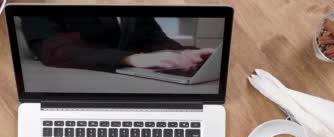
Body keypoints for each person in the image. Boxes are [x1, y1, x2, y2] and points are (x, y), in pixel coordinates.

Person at [22, 16, 215, 73]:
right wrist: (131, 59)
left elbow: (155, 39)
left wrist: (189, 53)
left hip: (128, 85)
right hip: (75, 89)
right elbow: (52, 50)